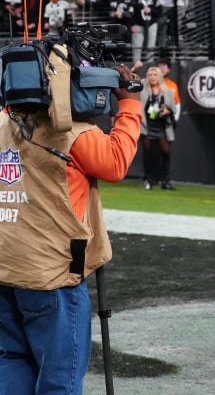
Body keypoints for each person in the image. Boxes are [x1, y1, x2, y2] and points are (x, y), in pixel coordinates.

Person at [0, 64, 141, 393]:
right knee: (59, 380)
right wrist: (131, 103)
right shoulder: (72, 131)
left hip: (6, 267)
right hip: (52, 275)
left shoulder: (3, 123)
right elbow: (117, 161)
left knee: (10, 360)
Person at [140, 65, 177, 190]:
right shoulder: (143, 88)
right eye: (150, 75)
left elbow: (173, 107)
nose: (152, 77)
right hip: (146, 125)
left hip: (161, 125)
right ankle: (149, 180)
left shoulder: (166, 90)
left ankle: (166, 181)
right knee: (147, 154)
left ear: (160, 76)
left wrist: (167, 110)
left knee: (166, 153)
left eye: (155, 75)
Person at [157, 58, 181, 124]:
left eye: (164, 66)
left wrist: (175, 119)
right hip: (154, 119)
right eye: (159, 67)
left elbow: (177, 104)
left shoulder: (173, 85)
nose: (162, 69)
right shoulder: (152, 83)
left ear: (169, 70)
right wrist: (152, 117)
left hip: (169, 120)